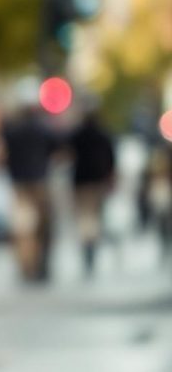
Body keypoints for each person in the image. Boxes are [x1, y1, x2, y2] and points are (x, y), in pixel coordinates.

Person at [2, 88, 60, 282]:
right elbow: (57, 150)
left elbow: (5, 154)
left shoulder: (12, 130)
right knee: (43, 226)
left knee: (23, 228)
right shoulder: (43, 128)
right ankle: (41, 265)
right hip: (39, 182)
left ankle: (26, 266)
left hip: (19, 185)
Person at [67, 107, 116, 274]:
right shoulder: (103, 135)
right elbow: (111, 159)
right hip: (97, 181)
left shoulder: (77, 135)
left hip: (81, 182)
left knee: (84, 216)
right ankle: (91, 246)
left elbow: (67, 154)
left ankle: (87, 245)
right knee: (94, 216)